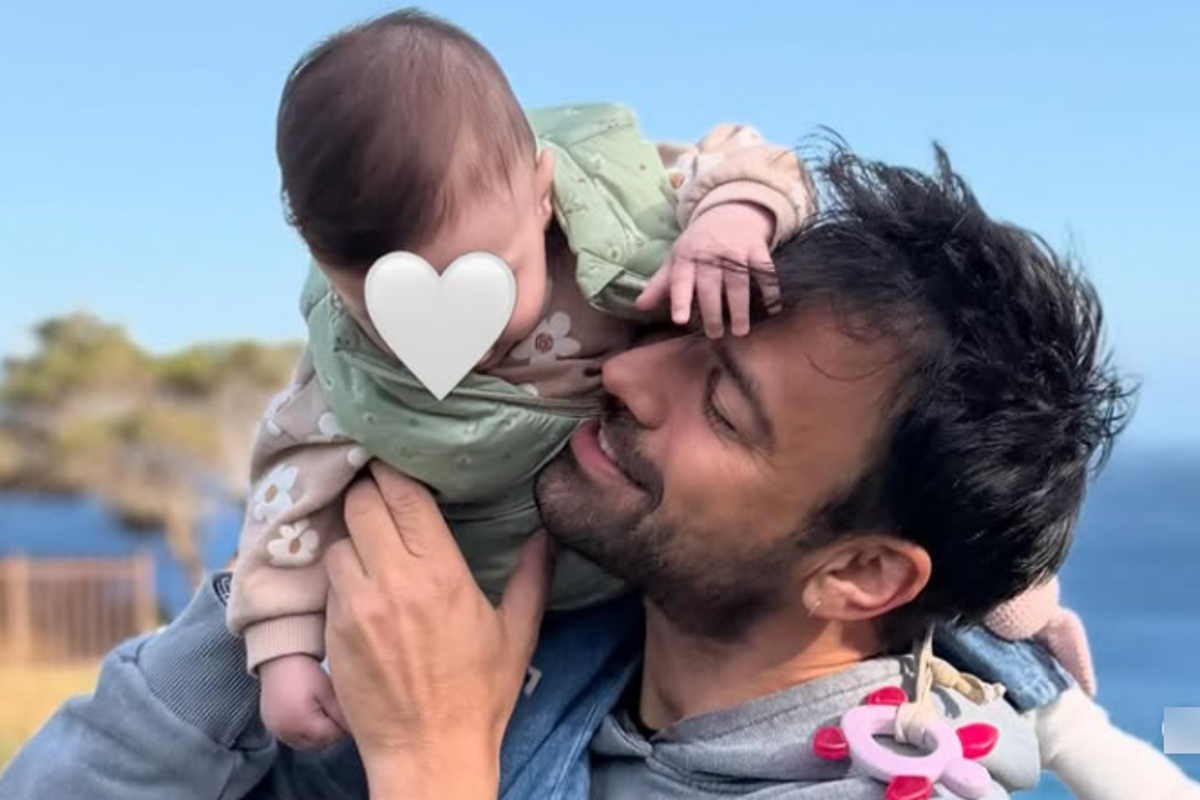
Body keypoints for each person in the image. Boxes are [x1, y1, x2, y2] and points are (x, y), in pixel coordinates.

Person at [5, 144, 1197, 799]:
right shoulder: (530, 636)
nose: (625, 373)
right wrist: (291, 578)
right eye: (667, 324)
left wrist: (432, 763)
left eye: (721, 404)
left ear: (863, 573)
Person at [226, 7, 817, 750]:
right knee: (527, 762)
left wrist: (732, 217)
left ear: (541, 191)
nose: (458, 331)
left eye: (492, 274)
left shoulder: (621, 206)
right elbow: (289, 491)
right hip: (502, 613)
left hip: (654, 553)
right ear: (323, 265)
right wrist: (282, 648)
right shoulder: (348, 368)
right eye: (383, 305)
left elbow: (747, 155)